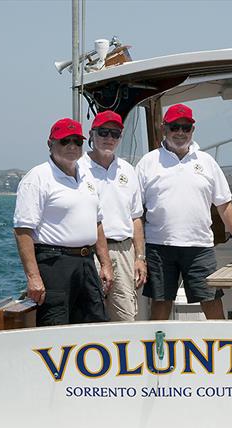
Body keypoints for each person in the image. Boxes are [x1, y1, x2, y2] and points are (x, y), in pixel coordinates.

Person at [136, 103, 232, 320]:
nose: (180, 132)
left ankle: (221, 349)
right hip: (159, 248)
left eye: (186, 127)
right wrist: (139, 255)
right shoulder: (147, 163)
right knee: (160, 305)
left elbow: (225, 205)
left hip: (200, 247)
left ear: (192, 130)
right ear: (164, 128)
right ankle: (157, 352)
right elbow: (135, 213)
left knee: (212, 302)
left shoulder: (207, 162)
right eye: (174, 127)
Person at [13, 118, 113, 326]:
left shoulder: (86, 176)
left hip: (86, 263)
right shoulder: (38, 178)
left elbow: (97, 223)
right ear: (50, 144)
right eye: (65, 141)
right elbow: (23, 230)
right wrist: (33, 277)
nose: (72, 146)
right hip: (54, 264)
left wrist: (105, 264)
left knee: (95, 325)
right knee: (55, 327)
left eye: (77, 141)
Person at [79, 110, 146, 321]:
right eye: (104, 132)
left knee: (126, 316)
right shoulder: (78, 168)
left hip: (124, 249)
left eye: (115, 134)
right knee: (90, 312)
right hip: (89, 251)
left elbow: (136, 218)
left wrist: (140, 257)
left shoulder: (128, 170)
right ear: (92, 134)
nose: (109, 138)